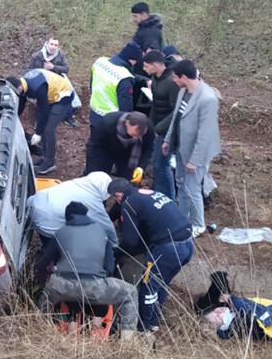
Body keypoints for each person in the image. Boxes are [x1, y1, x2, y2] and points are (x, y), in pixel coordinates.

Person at [33, 201, 138, 334]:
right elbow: (110, 268)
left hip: (65, 287)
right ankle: (127, 343)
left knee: (46, 298)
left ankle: (40, 332)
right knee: (131, 293)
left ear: (67, 217)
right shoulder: (102, 232)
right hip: (96, 287)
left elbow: (43, 263)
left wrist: (44, 281)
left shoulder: (60, 233)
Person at [111, 180, 194, 332]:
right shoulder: (151, 193)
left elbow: (130, 242)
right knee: (162, 283)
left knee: (148, 286)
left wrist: (116, 253)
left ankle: (142, 327)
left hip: (168, 249)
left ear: (118, 195)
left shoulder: (129, 203)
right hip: (188, 244)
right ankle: (154, 322)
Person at [163, 59, 221, 238]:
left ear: (184, 77)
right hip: (181, 148)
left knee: (193, 188)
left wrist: (195, 160)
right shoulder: (183, 91)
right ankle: (182, 217)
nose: (173, 80)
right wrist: (167, 140)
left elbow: (206, 134)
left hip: (196, 153)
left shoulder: (207, 98)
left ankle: (198, 224)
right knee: (181, 183)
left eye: (175, 77)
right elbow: (176, 118)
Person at [7, 69, 74, 175]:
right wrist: (13, 118)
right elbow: (21, 103)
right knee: (42, 127)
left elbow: (43, 111)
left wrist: (38, 134)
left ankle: (50, 162)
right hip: (51, 95)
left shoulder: (37, 88)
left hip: (63, 96)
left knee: (48, 130)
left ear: (19, 87)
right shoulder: (23, 85)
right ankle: (44, 157)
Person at [26, 171, 121, 246]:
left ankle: (45, 246)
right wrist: (114, 244)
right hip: (48, 221)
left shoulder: (77, 183)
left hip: (35, 205)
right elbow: (106, 225)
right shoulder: (92, 199)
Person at [142, 49, 181, 198]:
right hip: (158, 129)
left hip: (167, 131)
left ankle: (168, 198)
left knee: (162, 166)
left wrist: (159, 129)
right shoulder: (156, 80)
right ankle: (159, 195)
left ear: (156, 65)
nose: (144, 69)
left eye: (146, 66)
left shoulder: (171, 82)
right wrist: (150, 126)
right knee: (158, 165)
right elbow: (156, 105)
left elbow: (175, 111)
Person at [28, 37, 80, 127]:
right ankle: (40, 120)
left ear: (58, 47)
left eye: (55, 45)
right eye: (51, 44)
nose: (53, 47)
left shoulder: (60, 55)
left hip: (57, 80)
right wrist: (41, 70)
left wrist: (53, 67)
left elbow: (66, 69)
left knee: (68, 93)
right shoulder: (37, 56)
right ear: (47, 44)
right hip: (42, 80)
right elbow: (29, 70)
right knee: (42, 97)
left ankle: (68, 117)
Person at [87, 41, 140, 127]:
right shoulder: (124, 77)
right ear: (132, 60)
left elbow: (91, 85)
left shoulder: (100, 62)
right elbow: (125, 108)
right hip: (112, 121)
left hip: (94, 113)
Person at [84, 111, 150, 179]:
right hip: (105, 150)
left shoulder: (147, 128)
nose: (137, 138)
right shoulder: (107, 123)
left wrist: (140, 167)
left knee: (128, 180)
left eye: (141, 135)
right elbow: (93, 146)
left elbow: (147, 148)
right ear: (127, 123)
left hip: (129, 154)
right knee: (99, 176)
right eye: (134, 135)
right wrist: (92, 170)